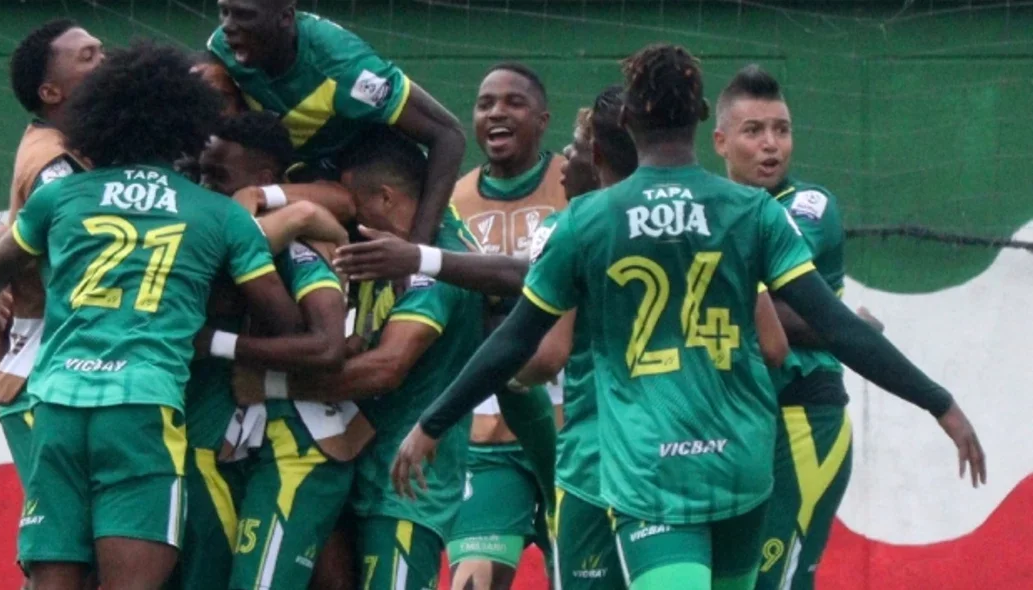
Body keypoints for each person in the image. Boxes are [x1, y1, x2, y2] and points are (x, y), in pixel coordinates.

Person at [390, 43, 985, 590]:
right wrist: (939, 402)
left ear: (627, 121)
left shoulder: (588, 220)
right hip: (741, 464)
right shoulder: (751, 211)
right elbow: (837, 327)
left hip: (650, 468)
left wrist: (433, 422)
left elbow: (518, 339)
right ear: (703, 116)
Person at [0, 41, 304, 590]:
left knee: (53, 580)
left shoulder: (63, 198)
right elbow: (286, 324)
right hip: (142, 408)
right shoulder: (219, 215)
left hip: (57, 402)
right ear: (189, 125)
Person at [235, 127, 485, 590]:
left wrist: (268, 385)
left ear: (387, 198)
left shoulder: (437, 258)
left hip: (406, 488)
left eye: (353, 203)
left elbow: (386, 367)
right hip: (357, 469)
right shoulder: (379, 246)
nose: (346, 215)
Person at [711, 64, 888, 590]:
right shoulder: (709, 209)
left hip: (801, 420)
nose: (771, 145)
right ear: (721, 141)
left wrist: (834, 328)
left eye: (781, 130)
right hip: (732, 424)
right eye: (754, 131)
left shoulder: (808, 207)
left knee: (777, 583)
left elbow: (774, 304)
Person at [190, 111, 362, 590]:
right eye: (201, 174)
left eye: (217, 176)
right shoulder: (227, 234)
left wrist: (218, 345)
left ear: (262, 181)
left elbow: (328, 346)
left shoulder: (295, 246)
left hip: (303, 442)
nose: (205, 187)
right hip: (255, 443)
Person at [0, 18, 102, 585]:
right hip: (45, 373)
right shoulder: (52, 162)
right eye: (88, 56)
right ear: (51, 93)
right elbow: (83, 254)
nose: (108, 59)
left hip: (62, 368)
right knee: (64, 549)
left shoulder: (85, 148)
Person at [442, 62, 573, 590]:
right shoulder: (452, 200)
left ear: (543, 119)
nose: (497, 111)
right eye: (485, 102)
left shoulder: (576, 188)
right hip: (486, 431)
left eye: (513, 102)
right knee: (471, 581)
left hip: (575, 430)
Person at [207, 0, 466, 244]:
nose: (228, 25)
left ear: (285, 17)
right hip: (306, 174)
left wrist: (419, 248)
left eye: (244, 14)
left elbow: (449, 135)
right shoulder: (222, 48)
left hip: (366, 174)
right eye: (224, 11)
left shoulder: (346, 68)